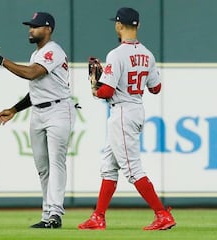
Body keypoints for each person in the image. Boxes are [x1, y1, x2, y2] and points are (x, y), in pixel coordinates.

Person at [78, 7, 176, 231]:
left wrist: (96, 87)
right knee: (109, 167)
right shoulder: (148, 54)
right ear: (138, 25)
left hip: (122, 112)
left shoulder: (117, 54)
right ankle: (98, 217)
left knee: (132, 170)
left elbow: (107, 92)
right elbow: (156, 88)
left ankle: (162, 215)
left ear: (119, 26)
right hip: (136, 108)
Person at [0, 12, 77, 229]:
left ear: (48, 29)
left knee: (56, 162)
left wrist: (0, 60)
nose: (31, 29)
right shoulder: (37, 53)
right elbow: (38, 91)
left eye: (36, 26)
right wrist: (14, 109)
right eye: (30, 26)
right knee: (42, 166)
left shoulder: (53, 51)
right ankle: (48, 213)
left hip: (59, 110)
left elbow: (32, 74)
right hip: (39, 112)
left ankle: (55, 214)